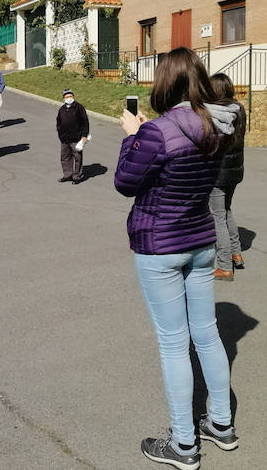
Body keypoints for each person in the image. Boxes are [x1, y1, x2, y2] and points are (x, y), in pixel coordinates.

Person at [113, 47, 239, 468]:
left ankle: (183, 444)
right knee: (208, 334)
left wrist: (132, 135)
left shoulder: (156, 131)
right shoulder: (217, 125)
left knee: (173, 344)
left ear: (165, 83)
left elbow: (125, 183)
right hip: (201, 241)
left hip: (160, 246)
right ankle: (220, 424)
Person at [208, 73, 245, 281]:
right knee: (227, 210)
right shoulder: (239, 109)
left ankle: (224, 266)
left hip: (219, 172)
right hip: (236, 170)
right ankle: (236, 254)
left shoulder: (218, 113)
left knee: (217, 216)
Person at [56, 88, 89, 183]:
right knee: (65, 157)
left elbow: (85, 122)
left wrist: (84, 136)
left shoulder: (79, 107)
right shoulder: (62, 109)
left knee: (77, 157)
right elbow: (58, 122)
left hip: (76, 138)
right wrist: (60, 133)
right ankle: (67, 175)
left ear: (73, 97)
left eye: (70, 96)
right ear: (63, 98)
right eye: (67, 97)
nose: (69, 98)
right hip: (64, 138)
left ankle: (76, 176)